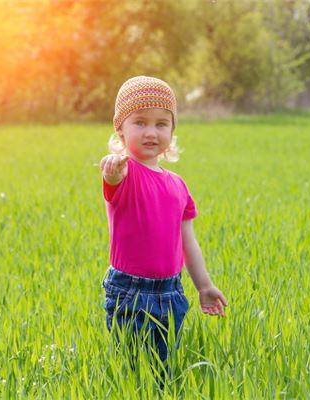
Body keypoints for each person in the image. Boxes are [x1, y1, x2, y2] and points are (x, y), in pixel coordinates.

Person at [99, 75, 228, 380]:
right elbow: (112, 179)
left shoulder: (178, 185)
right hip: (129, 292)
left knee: (162, 374)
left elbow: (189, 243)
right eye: (140, 122)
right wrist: (112, 170)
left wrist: (204, 286)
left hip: (172, 292)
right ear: (120, 128)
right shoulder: (124, 173)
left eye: (161, 124)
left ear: (172, 130)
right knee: (131, 374)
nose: (151, 132)